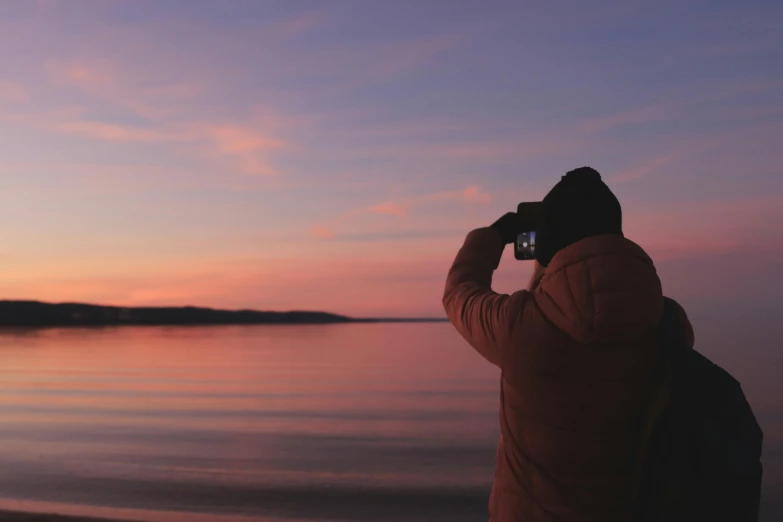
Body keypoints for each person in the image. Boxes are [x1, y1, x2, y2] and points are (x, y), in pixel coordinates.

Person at [442, 167, 694, 522]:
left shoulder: (521, 328)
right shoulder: (670, 322)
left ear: (548, 244)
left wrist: (495, 235)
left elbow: (459, 293)